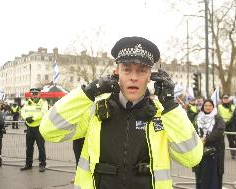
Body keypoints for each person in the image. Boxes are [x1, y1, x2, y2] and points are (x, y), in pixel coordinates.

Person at [40, 36, 203, 189]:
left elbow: (192, 158)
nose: (134, 77)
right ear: (117, 72)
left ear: (150, 77)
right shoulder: (95, 109)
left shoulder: (163, 114)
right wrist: (87, 93)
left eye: (141, 70)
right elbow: (49, 130)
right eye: (127, 70)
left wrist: (170, 105)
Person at [194, 99, 226, 189]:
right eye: (206, 105)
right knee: (201, 177)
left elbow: (219, 131)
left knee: (213, 179)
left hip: (214, 153)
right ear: (203, 107)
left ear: (213, 107)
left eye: (210, 106)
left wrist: (206, 139)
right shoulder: (197, 117)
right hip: (200, 152)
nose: (208, 107)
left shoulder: (218, 118)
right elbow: (193, 130)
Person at [20, 88, 48, 172]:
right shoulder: (27, 102)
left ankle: (42, 164)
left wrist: (33, 118)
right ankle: (28, 164)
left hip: (39, 127)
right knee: (29, 147)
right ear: (31, 94)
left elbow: (43, 113)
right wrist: (26, 118)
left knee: (41, 147)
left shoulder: (43, 102)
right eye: (33, 93)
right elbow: (23, 111)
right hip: (29, 127)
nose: (35, 95)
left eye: (36, 93)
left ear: (39, 94)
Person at [218, 94, 236, 159]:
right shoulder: (219, 107)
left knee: (231, 141)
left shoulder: (233, 107)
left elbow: (234, 117)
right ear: (222, 99)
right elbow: (218, 116)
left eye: (227, 98)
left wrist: (227, 123)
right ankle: (221, 154)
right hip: (221, 125)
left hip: (230, 126)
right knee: (221, 141)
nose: (225, 99)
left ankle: (233, 154)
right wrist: (223, 123)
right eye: (224, 98)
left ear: (229, 99)